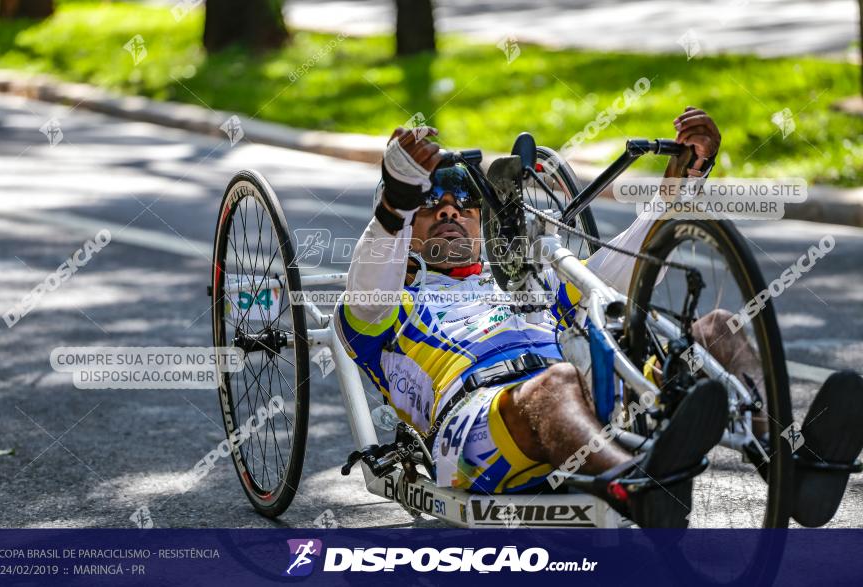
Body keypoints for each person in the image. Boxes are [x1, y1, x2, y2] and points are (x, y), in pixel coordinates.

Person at [336, 108, 863, 527]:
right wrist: (396, 202)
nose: (449, 210)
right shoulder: (383, 306)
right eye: (432, 204)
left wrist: (677, 187)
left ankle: (792, 467)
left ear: (481, 223)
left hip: (583, 414)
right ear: (408, 225)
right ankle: (637, 488)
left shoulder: (528, 281)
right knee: (556, 379)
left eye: (464, 204)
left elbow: (610, 274)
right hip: (475, 436)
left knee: (716, 331)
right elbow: (371, 272)